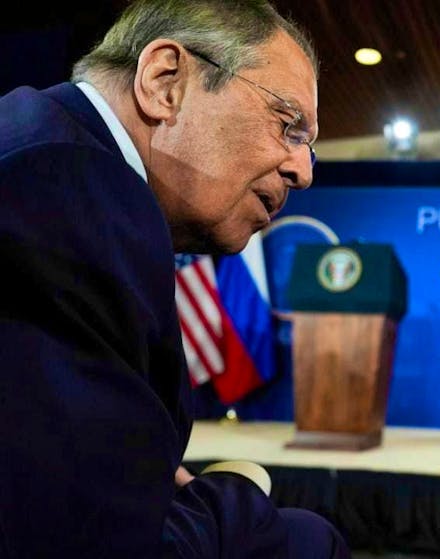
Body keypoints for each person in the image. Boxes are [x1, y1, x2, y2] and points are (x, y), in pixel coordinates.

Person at [0, 1, 350, 557]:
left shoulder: (38, 142)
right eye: (288, 126)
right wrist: (236, 490)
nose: (303, 171)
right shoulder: (66, 187)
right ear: (166, 83)